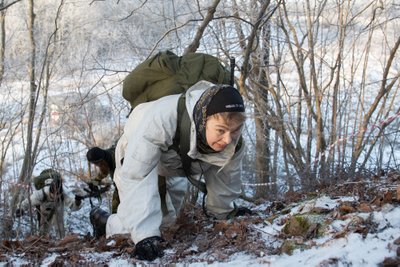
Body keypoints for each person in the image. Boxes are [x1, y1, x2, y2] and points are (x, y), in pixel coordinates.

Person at [90, 81, 252, 261]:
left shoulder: (232, 142)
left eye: (235, 131)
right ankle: (104, 222)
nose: (228, 139)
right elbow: (138, 175)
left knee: (169, 223)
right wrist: (145, 236)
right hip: (135, 152)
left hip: (174, 162)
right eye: (220, 130)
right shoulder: (161, 121)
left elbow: (225, 176)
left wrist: (223, 212)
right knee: (140, 227)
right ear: (202, 120)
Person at [16, 170, 83, 239]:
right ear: (50, 191)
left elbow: (73, 206)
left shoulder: (64, 193)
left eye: (58, 194)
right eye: (53, 194)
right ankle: (42, 241)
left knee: (60, 225)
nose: (55, 196)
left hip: (58, 207)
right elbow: (29, 201)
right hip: (44, 208)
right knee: (43, 227)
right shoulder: (41, 193)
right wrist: (21, 209)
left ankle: (61, 241)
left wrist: (78, 201)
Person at [86, 146, 119, 213]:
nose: (97, 166)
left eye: (96, 164)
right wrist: (95, 181)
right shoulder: (106, 156)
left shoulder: (118, 160)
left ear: (101, 161)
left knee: (116, 212)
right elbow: (103, 172)